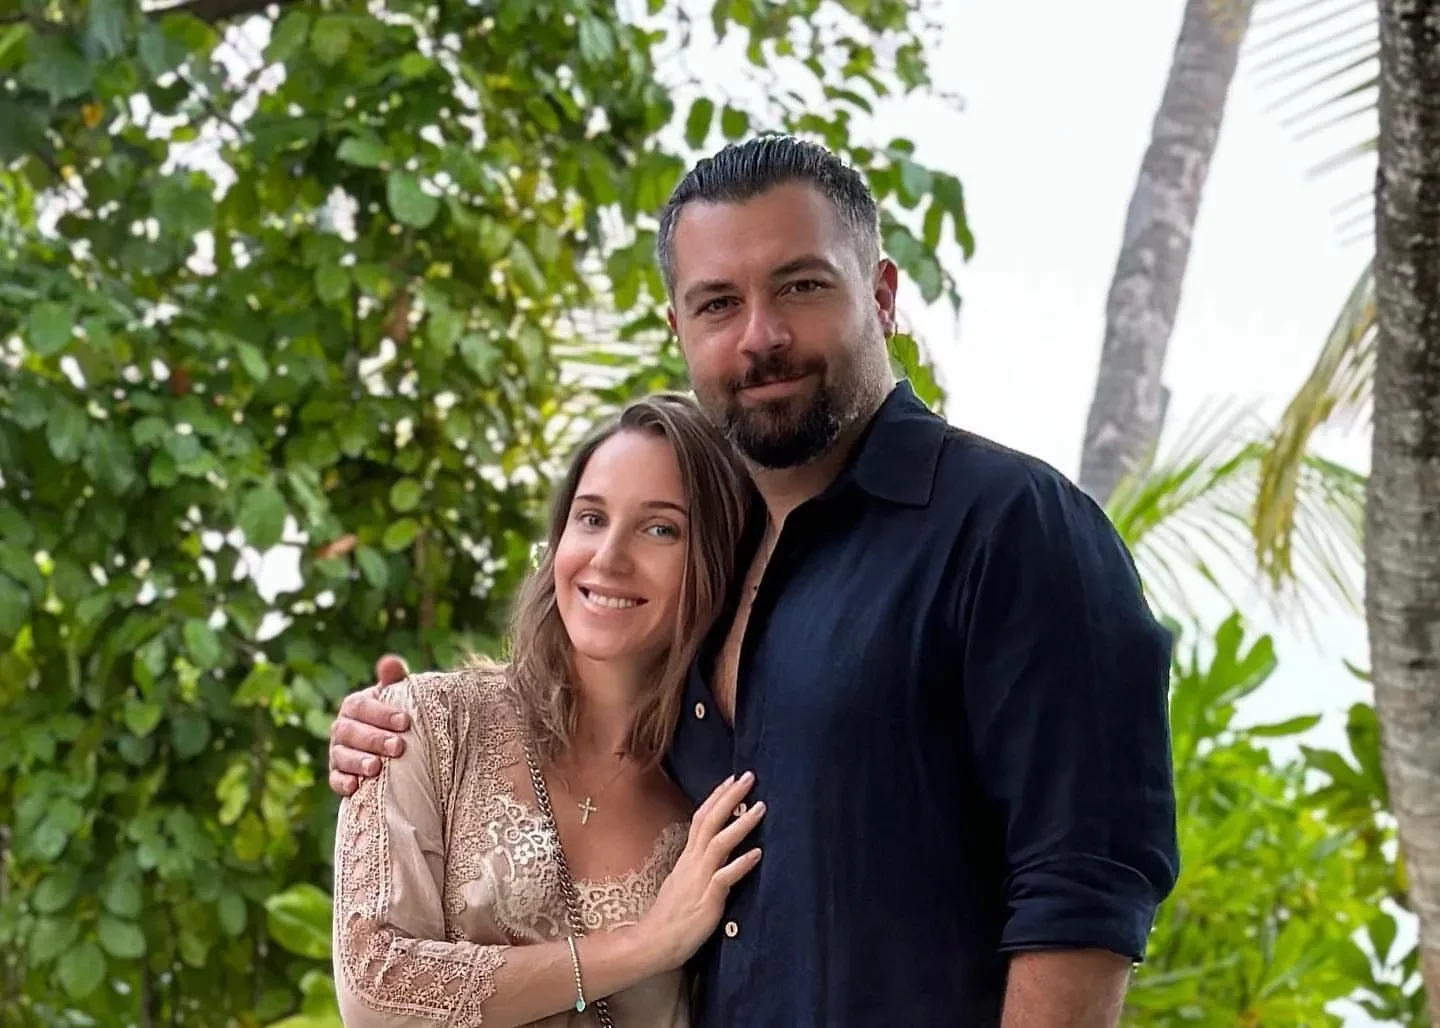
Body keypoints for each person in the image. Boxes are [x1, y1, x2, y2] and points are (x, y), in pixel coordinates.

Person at [329, 135, 1179, 1027]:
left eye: (801, 287)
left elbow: (1081, 888)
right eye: (718, 304)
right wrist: (408, 732)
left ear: (881, 296)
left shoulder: (1012, 526)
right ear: (679, 330)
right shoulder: (720, 562)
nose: (760, 336)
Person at [330, 393, 765, 1027]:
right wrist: (648, 944)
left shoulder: (719, 799)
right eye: (591, 518)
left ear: (720, 564)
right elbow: (376, 991)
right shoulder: (424, 724)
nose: (608, 557)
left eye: (660, 529)